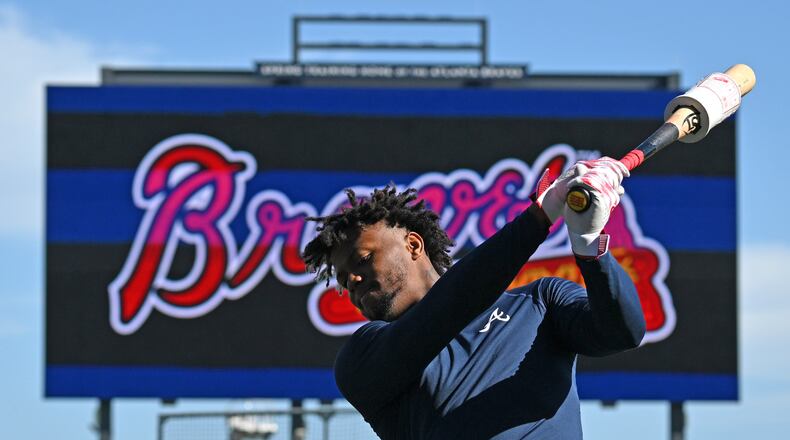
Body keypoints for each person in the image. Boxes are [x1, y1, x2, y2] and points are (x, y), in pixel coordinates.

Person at [302, 157, 646, 439]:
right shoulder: (361, 358)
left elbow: (623, 332)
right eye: (344, 280)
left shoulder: (541, 301)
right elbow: (450, 307)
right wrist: (542, 215)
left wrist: (589, 246)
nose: (353, 281)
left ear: (413, 245)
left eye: (362, 260)